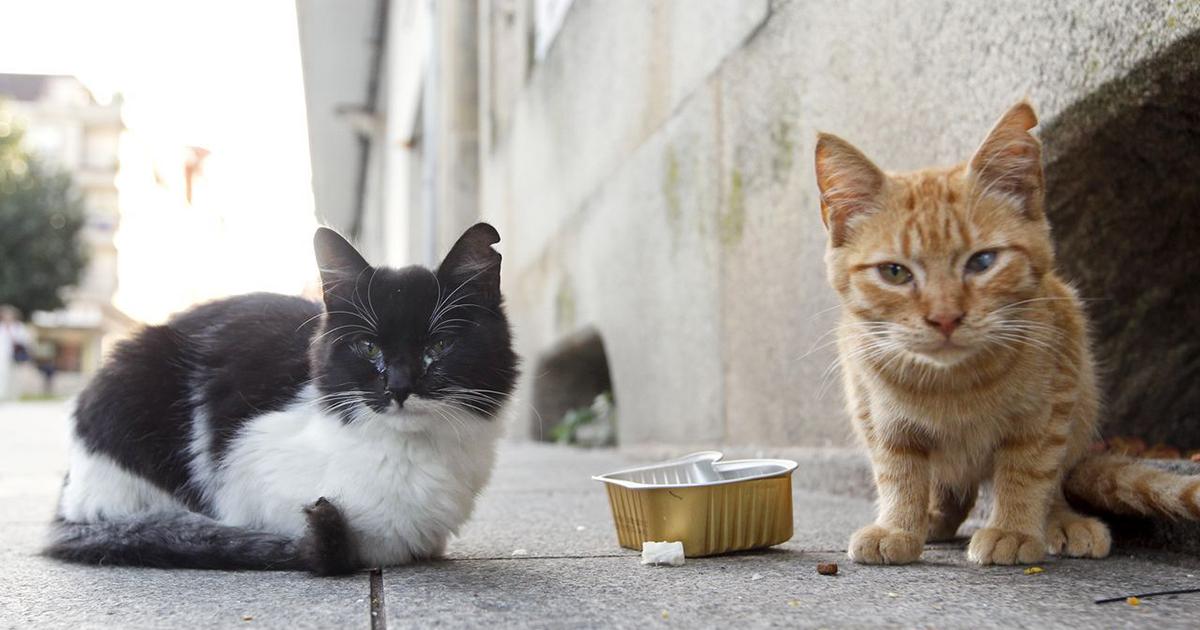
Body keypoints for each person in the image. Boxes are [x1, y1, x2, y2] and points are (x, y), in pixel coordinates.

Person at [0, 305, 34, 402]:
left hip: (16, 356)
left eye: (10, 315)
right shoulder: (1, 327)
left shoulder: (19, 327)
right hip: (2, 356)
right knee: (2, 375)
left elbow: (26, 341)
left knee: (15, 376)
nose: (8, 317)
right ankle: (2, 395)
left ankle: (14, 396)